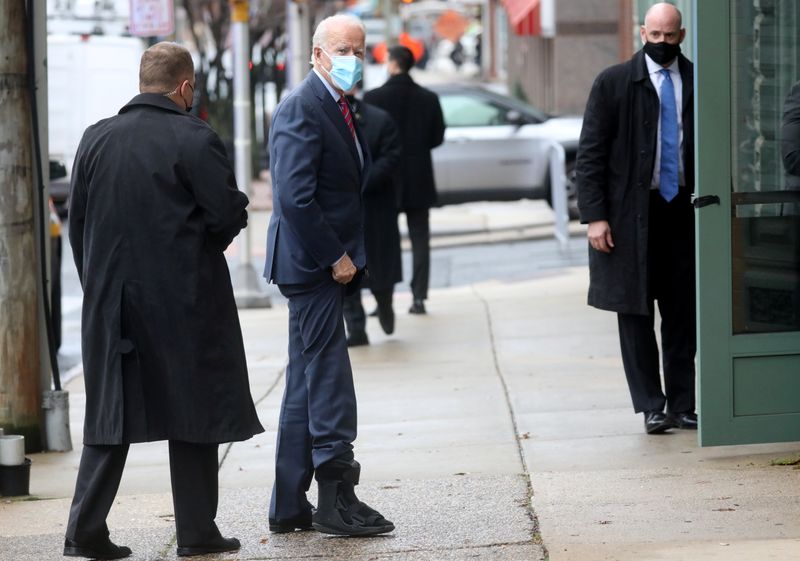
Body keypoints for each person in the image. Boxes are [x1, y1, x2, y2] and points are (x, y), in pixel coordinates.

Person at [65, 42, 264, 560]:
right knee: (193, 410)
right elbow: (224, 215)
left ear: (141, 81)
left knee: (111, 415)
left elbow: (78, 225)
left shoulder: (95, 138)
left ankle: (85, 528)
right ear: (184, 87)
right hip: (185, 299)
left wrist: (99, 287)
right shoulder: (194, 137)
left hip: (114, 303)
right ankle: (197, 531)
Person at [263, 14, 394, 536]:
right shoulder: (302, 106)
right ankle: (337, 496)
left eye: (360, 51)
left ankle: (289, 504)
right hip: (312, 265)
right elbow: (295, 197)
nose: (353, 60)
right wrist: (335, 256)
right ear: (317, 52)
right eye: (343, 50)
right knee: (329, 377)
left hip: (318, 263)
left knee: (304, 382)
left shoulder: (338, 105)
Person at [576, 3, 697, 435]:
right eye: (655, 36)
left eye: (670, 36)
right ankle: (652, 405)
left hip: (683, 209)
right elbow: (589, 155)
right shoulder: (613, 82)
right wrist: (595, 217)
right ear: (641, 32)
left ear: (681, 35)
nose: (662, 44)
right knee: (636, 312)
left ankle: (685, 404)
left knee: (684, 311)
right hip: (629, 215)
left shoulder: (697, 79)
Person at [364, 45, 446, 315]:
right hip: (419, 176)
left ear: (392, 63)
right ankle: (419, 296)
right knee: (420, 238)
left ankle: (382, 296)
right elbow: (437, 138)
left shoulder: (373, 98)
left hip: (384, 179)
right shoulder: (429, 98)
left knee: (383, 240)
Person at [342, 91, 404, 347]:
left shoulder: (380, 120)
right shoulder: (323, 121)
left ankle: (385, 303)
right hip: (343, 212)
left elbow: (392, 157)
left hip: (376, 207)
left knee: (380, 267)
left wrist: (364, 181)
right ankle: (356, 329)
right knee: (346, 273)